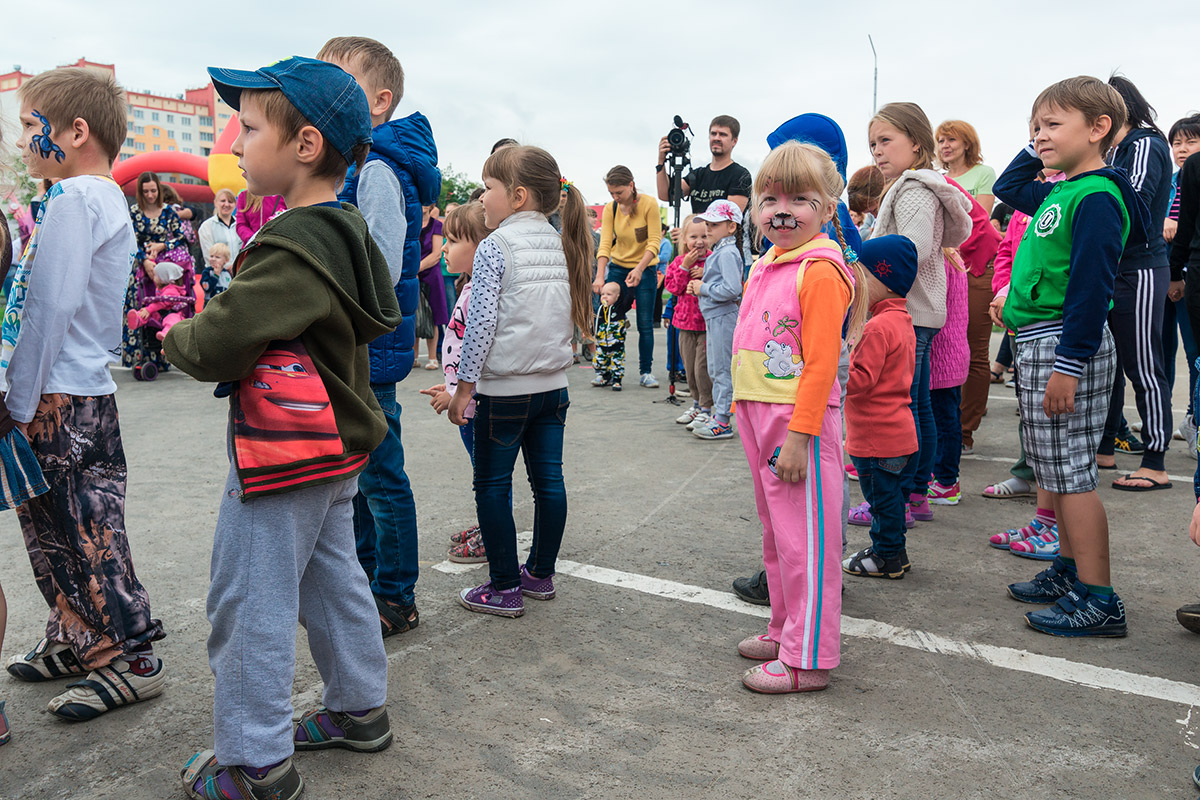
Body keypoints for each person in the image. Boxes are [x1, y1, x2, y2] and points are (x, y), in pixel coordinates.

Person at [164, 55, 401, 797]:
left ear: (305, 145)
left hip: (285, 456)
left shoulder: (293, 247)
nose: (236, 143)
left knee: (249, 598)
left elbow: (219, 341)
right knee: (334, 581)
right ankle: (359, 708)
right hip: (335, 451)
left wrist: (173, 333)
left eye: (250, 128)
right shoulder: (342, 229)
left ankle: (255, 762)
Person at [2, 66, 167, 724]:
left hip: (58, 397)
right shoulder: (93, 196)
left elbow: (48, 309)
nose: (21, 140)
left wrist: (16, 403)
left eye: (28, 125)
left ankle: (130, 659)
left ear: (75, 132)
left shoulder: (74, 199)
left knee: (84, 534)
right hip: (68, 390)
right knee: (58, 529)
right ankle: (80, 638)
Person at [992, 75, 1150, 637]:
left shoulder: (1098, 196)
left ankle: (1100, 597)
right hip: (1042, 340)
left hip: (1064, 343)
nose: (1039, 136)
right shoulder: (1061, 190)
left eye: (1053, 124)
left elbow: (1090, 287)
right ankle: (1069, 569)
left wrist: (1068, 364)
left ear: (1099, 127)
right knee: (1054, 469)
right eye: (1034, 127)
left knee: (1072, 474)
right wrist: (1040, 140)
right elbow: (1011, 185)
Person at [731, 141, 867, 693]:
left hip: (796, 423)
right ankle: (785, 629)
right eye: (770, 199)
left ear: (827, 209)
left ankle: (807, 657)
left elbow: (821, 365)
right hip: (759, 413)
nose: (781, 211)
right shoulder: (768, 263)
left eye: (799, 199)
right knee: (778, 534)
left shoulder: (820, 270)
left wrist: (799, 437)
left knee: (806, 540)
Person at [319, 35, 441, 638]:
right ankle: (370, 582)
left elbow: (383, 265)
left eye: (340, 84)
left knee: (382, 477)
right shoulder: (364, 163)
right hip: (367, 344)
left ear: (379, 100)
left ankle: (395, 593)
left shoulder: (379, 169)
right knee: (365, 474)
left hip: (373, 346)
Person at [447, 146, 593, 619]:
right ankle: (539, 575)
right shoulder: (561, 241)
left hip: (504, 391)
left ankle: (505, 586)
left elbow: (481, 325)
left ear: (518, 196)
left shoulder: (496, 245)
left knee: (491, 486)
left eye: (488, 188)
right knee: (549, 482)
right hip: (554, 389)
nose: (482, 198)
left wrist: (464, 388)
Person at [863, 102, 972, 526]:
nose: (877, 150)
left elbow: (912, 249)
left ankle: (904, 494)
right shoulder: (918, 185)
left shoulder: (913, 189)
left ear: (916, 142)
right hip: (917, 312)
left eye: (885, 140)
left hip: (906, 311)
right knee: (917, 404)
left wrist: (861, 260)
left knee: (903, 406)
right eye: (872, 144)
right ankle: (915, 494)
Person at [1091, 77, 1175, 492]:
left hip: (1138, 269)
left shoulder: (1142, 144)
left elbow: (1132, 202)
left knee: (1143, 365)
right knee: (1108, 366)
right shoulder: (1117, 151)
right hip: (1115, 268)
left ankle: (1155, 461)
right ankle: (1105, 447)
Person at [842, 236, 919, 579]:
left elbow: (860, 381)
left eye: (862, 276)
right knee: (893, 499)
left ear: (884, 281)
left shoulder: (876, 327)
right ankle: (896, 552)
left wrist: (835, 367)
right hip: (899, 432)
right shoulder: (902, 320)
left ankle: (885, 556)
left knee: (881, 501)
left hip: (877, 438)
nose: (856, 283)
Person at [420, 202, 491, 564]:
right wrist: (448, 387)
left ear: (481, 247)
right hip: (466, 400)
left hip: (473, 405)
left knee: (487, 476)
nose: (444, 248)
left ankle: (492, 535)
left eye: (453, 241)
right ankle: (488, 524)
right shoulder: (471, 286)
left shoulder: (481, 292)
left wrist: (457, 395)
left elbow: (479, 354)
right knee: (482, 472)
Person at [937, 120, 1003, 455]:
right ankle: (947, 425)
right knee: (945, 347)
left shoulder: (983, 173)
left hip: (977, 266)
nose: (945, 145)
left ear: (967, 143)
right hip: (945, 267)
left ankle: (965, 431)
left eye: (951, 139)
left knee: (975, 349)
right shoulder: (936, 177)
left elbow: (974, 222)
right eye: (940, 140)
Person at [595, 165, 662, 388]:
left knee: (644, 323)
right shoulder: (611, 208)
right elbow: (605, 243)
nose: (615, 197)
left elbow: (654, 242)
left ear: (631, 186)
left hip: (646, 269)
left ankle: (646, 372)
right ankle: (606, 371)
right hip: (618, 269)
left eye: (619, 192)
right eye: (611, 193)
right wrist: (600, 276)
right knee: (608, 319)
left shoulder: (649, 204)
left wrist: (640, 269)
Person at [656, 115, 752, 263]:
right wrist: (661, 161)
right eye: (713, 134)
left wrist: (690, 233)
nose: (716, 138)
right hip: (699, 256)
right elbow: (665, 194)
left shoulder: (740, 175)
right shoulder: (698, 175)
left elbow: (728, 220)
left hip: (726, 256)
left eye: (723, 134)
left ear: (734, 141)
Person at [688, 199, 744, 440]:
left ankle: (722, 420)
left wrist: (703, 288)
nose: (708, 229)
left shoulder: (727, 253)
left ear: (731, 227)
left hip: (722, 317)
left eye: (714, 224)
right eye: (708, 224)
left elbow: (732, 289)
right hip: (716, 316)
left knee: (721, 369)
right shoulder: (722, 252)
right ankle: (720, 416)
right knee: (715, 367)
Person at [1164, 115, 1200, 446]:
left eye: (1191, 141)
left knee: (1194, 352)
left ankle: (1193, 418)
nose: (1182, 149)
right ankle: (1162, 418)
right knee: (1161, 350)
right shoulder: (1168, 181)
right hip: (1163, 273)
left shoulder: (1194, 178)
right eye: (1177, 143)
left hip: (1189, 275)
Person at [926, 251, 969, 504]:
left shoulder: (938, 260)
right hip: (952, 351)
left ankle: (946, 481)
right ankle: (943, 477)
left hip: (941, 353)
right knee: (947, 417)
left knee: (943, 420)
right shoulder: (953, 258)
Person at [665, 214, 713, 428]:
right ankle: (696, 405)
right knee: (690, 369)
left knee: (702, 369)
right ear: (684, 239)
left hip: (706, 324)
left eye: (704, 236)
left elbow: (727, 284)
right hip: (684, 324)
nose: (699, 241)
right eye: (694, 237)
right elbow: (673, 288)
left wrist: (706, 273)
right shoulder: (679, 262)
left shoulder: (714, 260)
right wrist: (685, 267)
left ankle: (706, 407)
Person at [126, 262, 191, 341]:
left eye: (155, 275)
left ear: (163, 279)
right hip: (160, 315)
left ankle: (167, 333)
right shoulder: (161, 289)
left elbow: (161, 303)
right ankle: (138, 319)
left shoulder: (171, 290)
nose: (153, 277)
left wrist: (149, 310)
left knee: (171, 320)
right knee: (145, 314)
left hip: (172, 313)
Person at [419, 203, 448, 369]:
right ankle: (414, 357)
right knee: (413, 314)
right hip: (413, 275)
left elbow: (437, 254)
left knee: (434, 316)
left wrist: (416, 268)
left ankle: (432, 358)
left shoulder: (437, 225)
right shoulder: (411, 222)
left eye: (427, 202)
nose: (424, 205)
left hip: (431, 275)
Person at [591, 281, 635, 390]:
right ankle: (606, 376)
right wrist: (591, 332)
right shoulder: (601, 310)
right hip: (602, 345)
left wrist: (630, 288)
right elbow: (596, 323)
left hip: (616, 345)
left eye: (609, 294)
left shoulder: (620, 308)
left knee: (617, 364)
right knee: (597, 363)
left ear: (617, 296)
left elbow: (629, 300)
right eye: (602, 294)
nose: (605, 297)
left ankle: (617, 380)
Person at [197, 187, 241, 264]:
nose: (226, 204)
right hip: (218, 270)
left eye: (230, 201)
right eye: (223, 201)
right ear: (215, 203)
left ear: (235, 205)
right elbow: (208, 254)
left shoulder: (240, 224)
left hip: (240, 269)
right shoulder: (207, 226)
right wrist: (228, 267)